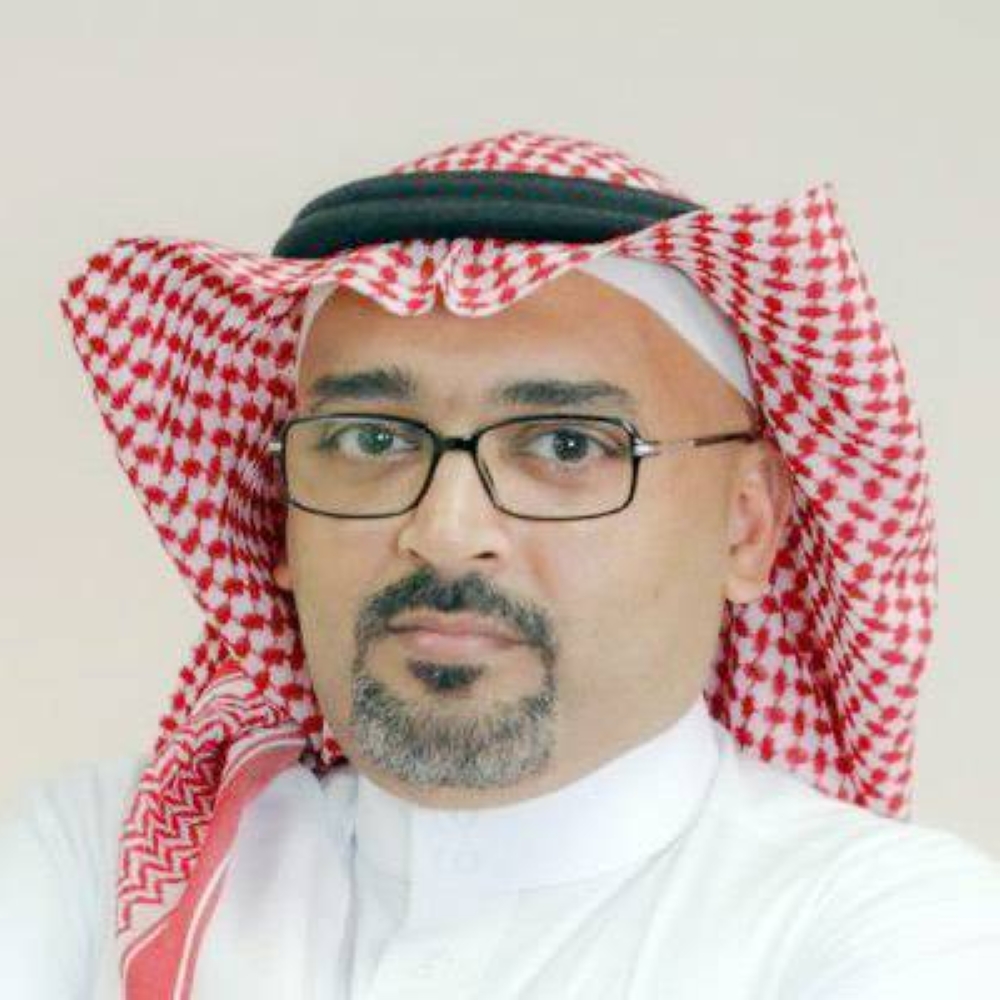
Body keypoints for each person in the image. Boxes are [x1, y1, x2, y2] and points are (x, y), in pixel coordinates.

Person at [2, 129, 999, 998]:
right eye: (368, 440)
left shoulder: (892, 927)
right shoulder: (94, 859)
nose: (443, 531)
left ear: (745, 527)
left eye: (566, 445)